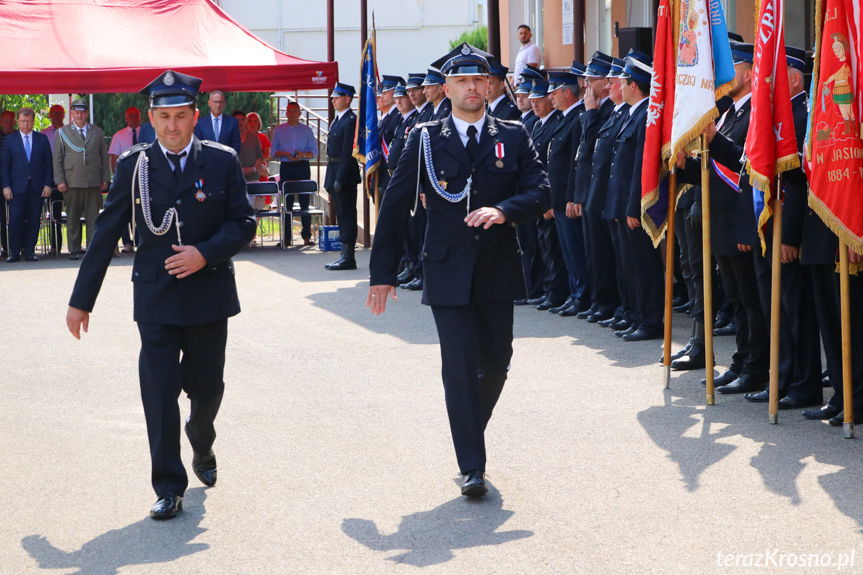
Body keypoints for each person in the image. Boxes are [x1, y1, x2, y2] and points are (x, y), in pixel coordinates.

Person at [65, 70, 257, 520]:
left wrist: (204, 254)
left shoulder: (222, 159)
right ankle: (169, 486)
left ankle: (202, 439)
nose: (172, 126)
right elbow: (106, 232)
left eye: (181, 116)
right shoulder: (134, 165)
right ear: (151, 118)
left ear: (195, 116)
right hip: (155, 297)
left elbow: (244, 222)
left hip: (208, 294)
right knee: (158, 390)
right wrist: (81, 300)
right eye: (164, 116)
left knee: (207, 390)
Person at [367, 43, 549, 497]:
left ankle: (470, 427)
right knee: (459, 367)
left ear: (488, 85)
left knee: (497, 363)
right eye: (462, 81)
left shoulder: (513, 133)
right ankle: (472, 465)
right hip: (446, 270)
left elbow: (542, 191)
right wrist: (381, 274)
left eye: (479, 81)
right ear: (446, 89)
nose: (472, 88)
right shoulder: (426, 138)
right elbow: (392, 207)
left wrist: (504, 210)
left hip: (496, 269)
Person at [571, 52, 618, 323]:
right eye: (585, 80)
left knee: (604, 253)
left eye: (593, 80)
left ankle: (608, 303)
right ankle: (599, 301)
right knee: (593, 252)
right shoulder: (596, 109)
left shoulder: (607, 109)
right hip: (590, 190)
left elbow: (592, 147)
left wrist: (590, 114)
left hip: (603, 192)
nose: (587, 86)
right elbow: (582, 157)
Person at [545, 67, 590, 316]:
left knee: (576, 249)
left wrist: (573, 197)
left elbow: (576, 163)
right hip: (559, 197)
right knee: (568, 251)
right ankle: (575, 293)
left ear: (566, 93)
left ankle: (582, 295)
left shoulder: (577, 118)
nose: (550, 97)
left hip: (567, 197)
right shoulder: (564, 119)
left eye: (554, 92)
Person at [52, 99, 110, 260]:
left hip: (93, 181)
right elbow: (57, 159)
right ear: (72, 114)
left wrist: (106, 178)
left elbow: (104, 157)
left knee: (93, 217)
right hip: (71, 182)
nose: (79, 115)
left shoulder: (97, 132)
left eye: (82, 112)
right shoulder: (63, 132)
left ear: (87, 114)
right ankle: (74, 249)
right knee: (72, 217)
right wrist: (60, 181)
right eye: (76, 112)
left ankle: (92, 248)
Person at [1, 107, 53, 262]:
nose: (25, 125)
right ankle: (14, 251)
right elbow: (4, 165)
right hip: (16, 187)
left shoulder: (41, 139)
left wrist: (48, 184)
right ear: (18, 121)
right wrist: (6, 186)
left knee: (34, 219)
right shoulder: (10, 140)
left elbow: (49, 164)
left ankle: (30, 251)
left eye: (28, 121)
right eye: (23, 121)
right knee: (15, 219)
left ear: (33, 121)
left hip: (37, 187)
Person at [324, 83, 361, 271]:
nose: (333, 99)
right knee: (340, 213)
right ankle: (343, 254)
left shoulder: (350, 120)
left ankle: (349, 256)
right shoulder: (338, 119)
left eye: (337, 97)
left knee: (347, 214)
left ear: (347, 99)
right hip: (334, 168)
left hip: (344, 171)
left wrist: (340, 178)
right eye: (333, 97)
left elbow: (348, 152)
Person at [271, 101, 318, 245]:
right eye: (289, 111)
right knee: (287, 203)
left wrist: (302, 155)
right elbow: (273, 152)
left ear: (299, 113)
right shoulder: (279, 130)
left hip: (302, 166)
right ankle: (287, 237)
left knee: (305, 202)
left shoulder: (307, 130)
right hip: (286, 166)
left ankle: (306, 237)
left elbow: (314, 153)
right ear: (286, 113)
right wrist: (285, 153)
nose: (291, 113)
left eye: (294, 111)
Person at [108, 106, 143, 253]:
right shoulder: (119, 136)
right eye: (130, 115)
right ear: (126, 118)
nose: (133, 118)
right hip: (125, 179)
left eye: (136, 115)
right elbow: (114, 158)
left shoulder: (147, 132)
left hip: (143, 178)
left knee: (141, 211)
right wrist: (118, 177)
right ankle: (127, 243)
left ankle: (140, 241)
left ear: (140, 117)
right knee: (123, 210)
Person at [40, 104, 66, 256]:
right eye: (53, 113)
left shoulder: (70, 131)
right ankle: (55, 246)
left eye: (59, 113)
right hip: (51, 179)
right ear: (49, 116)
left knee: (74, 214)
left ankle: (75, 246)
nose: (56, 115)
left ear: (63, 115)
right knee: (54, 215)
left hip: (69, 178)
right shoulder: (43, 135)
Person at [0, 110, 14, 257]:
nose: (9, 124)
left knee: (17, 216)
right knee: (3, 218)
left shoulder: (18, 136)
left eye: (11, 121)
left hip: (17, 182)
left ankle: (17, 246)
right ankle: (6, 246)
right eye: (6, 121)